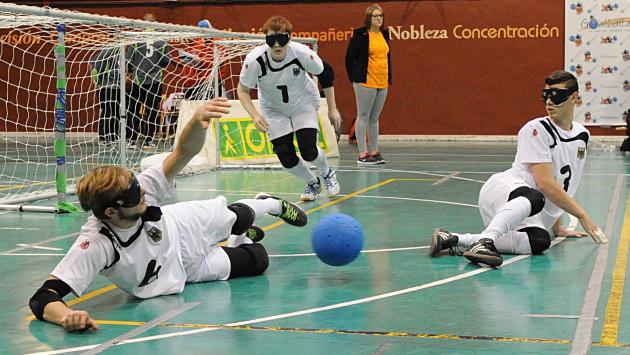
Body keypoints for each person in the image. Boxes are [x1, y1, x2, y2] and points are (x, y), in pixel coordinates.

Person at [27, 97, 309, 332]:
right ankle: (238, 239)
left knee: (240, 216)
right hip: (179, 273)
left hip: (183, 227)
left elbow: (183, 152)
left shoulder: (140, 190)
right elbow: (43, 297)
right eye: (135, 194)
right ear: (111, 212)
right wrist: (66, 317)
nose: (144, 192)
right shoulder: (97, 243)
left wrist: (196, 121)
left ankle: (269, 203)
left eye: (138, 185)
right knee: (258, 261)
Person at [429, 71, 606, 268]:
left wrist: (557, 226)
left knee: (540, 241)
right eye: (545, 95)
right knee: (535, 196)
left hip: (529, 210)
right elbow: (545, 184)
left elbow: (563, 179)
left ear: (574, 97)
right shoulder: (536, 129)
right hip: (505, 191)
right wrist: (582, 215)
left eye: (556, 95)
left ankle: (454, 239)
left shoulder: (582, 134)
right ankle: (485, 243)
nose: (549, 101)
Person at [237, 15, 340, 202]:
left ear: (290, 38)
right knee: (285, 157)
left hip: (303, 102)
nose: (277, 45)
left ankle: (327, 173)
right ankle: (312, 182)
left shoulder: (301, 53)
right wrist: (254, 115)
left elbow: (326, 72)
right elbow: (242, 90)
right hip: (273, 109)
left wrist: (332, 108)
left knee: (308, 149)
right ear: (265, 40)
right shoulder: (255, 60)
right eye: (271, 40)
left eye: (281, 40)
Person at [345, 3, 392, 165]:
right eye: (376, 16)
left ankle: (375, 151)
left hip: (382, 81)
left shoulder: (385, 34)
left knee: (374, 118)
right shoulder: (361, 35)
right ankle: (363, 154)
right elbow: (349, 59)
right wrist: (355, 79)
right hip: (365, 81)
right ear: (369, 18)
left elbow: (386, 57)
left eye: (381, 16)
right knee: (363, 116)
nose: (379, 19)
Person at [126, 13, 172, 149]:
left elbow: (129, 63)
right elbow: (165, 62)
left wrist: (137, 69)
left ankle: (132, 140)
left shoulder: (135, 41)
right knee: (152, 111)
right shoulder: (162, 42)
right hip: (155, 81)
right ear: (155, 24)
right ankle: (148, 140)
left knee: (133, 111)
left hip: (138, 82)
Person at [90, 38, 121, 144]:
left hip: (117, 87)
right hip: (106, 87)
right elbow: (93, 66)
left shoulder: (120, 53)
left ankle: (114, 136)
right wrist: (96, 82)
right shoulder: (106, 52)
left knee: (116, 112)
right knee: (106, 111)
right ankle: (103, 137)